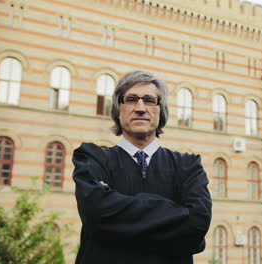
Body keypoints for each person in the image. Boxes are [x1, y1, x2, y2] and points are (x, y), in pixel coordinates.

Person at [72, 71, 212, 264]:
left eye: (149, 100)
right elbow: (96, 213)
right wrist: (179, 216)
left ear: (160, 109)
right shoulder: (92, 158)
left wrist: (115, 211)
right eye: (130, 99)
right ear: (117, 109)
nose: (140, 108)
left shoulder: (187, 166)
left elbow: (198, 222)